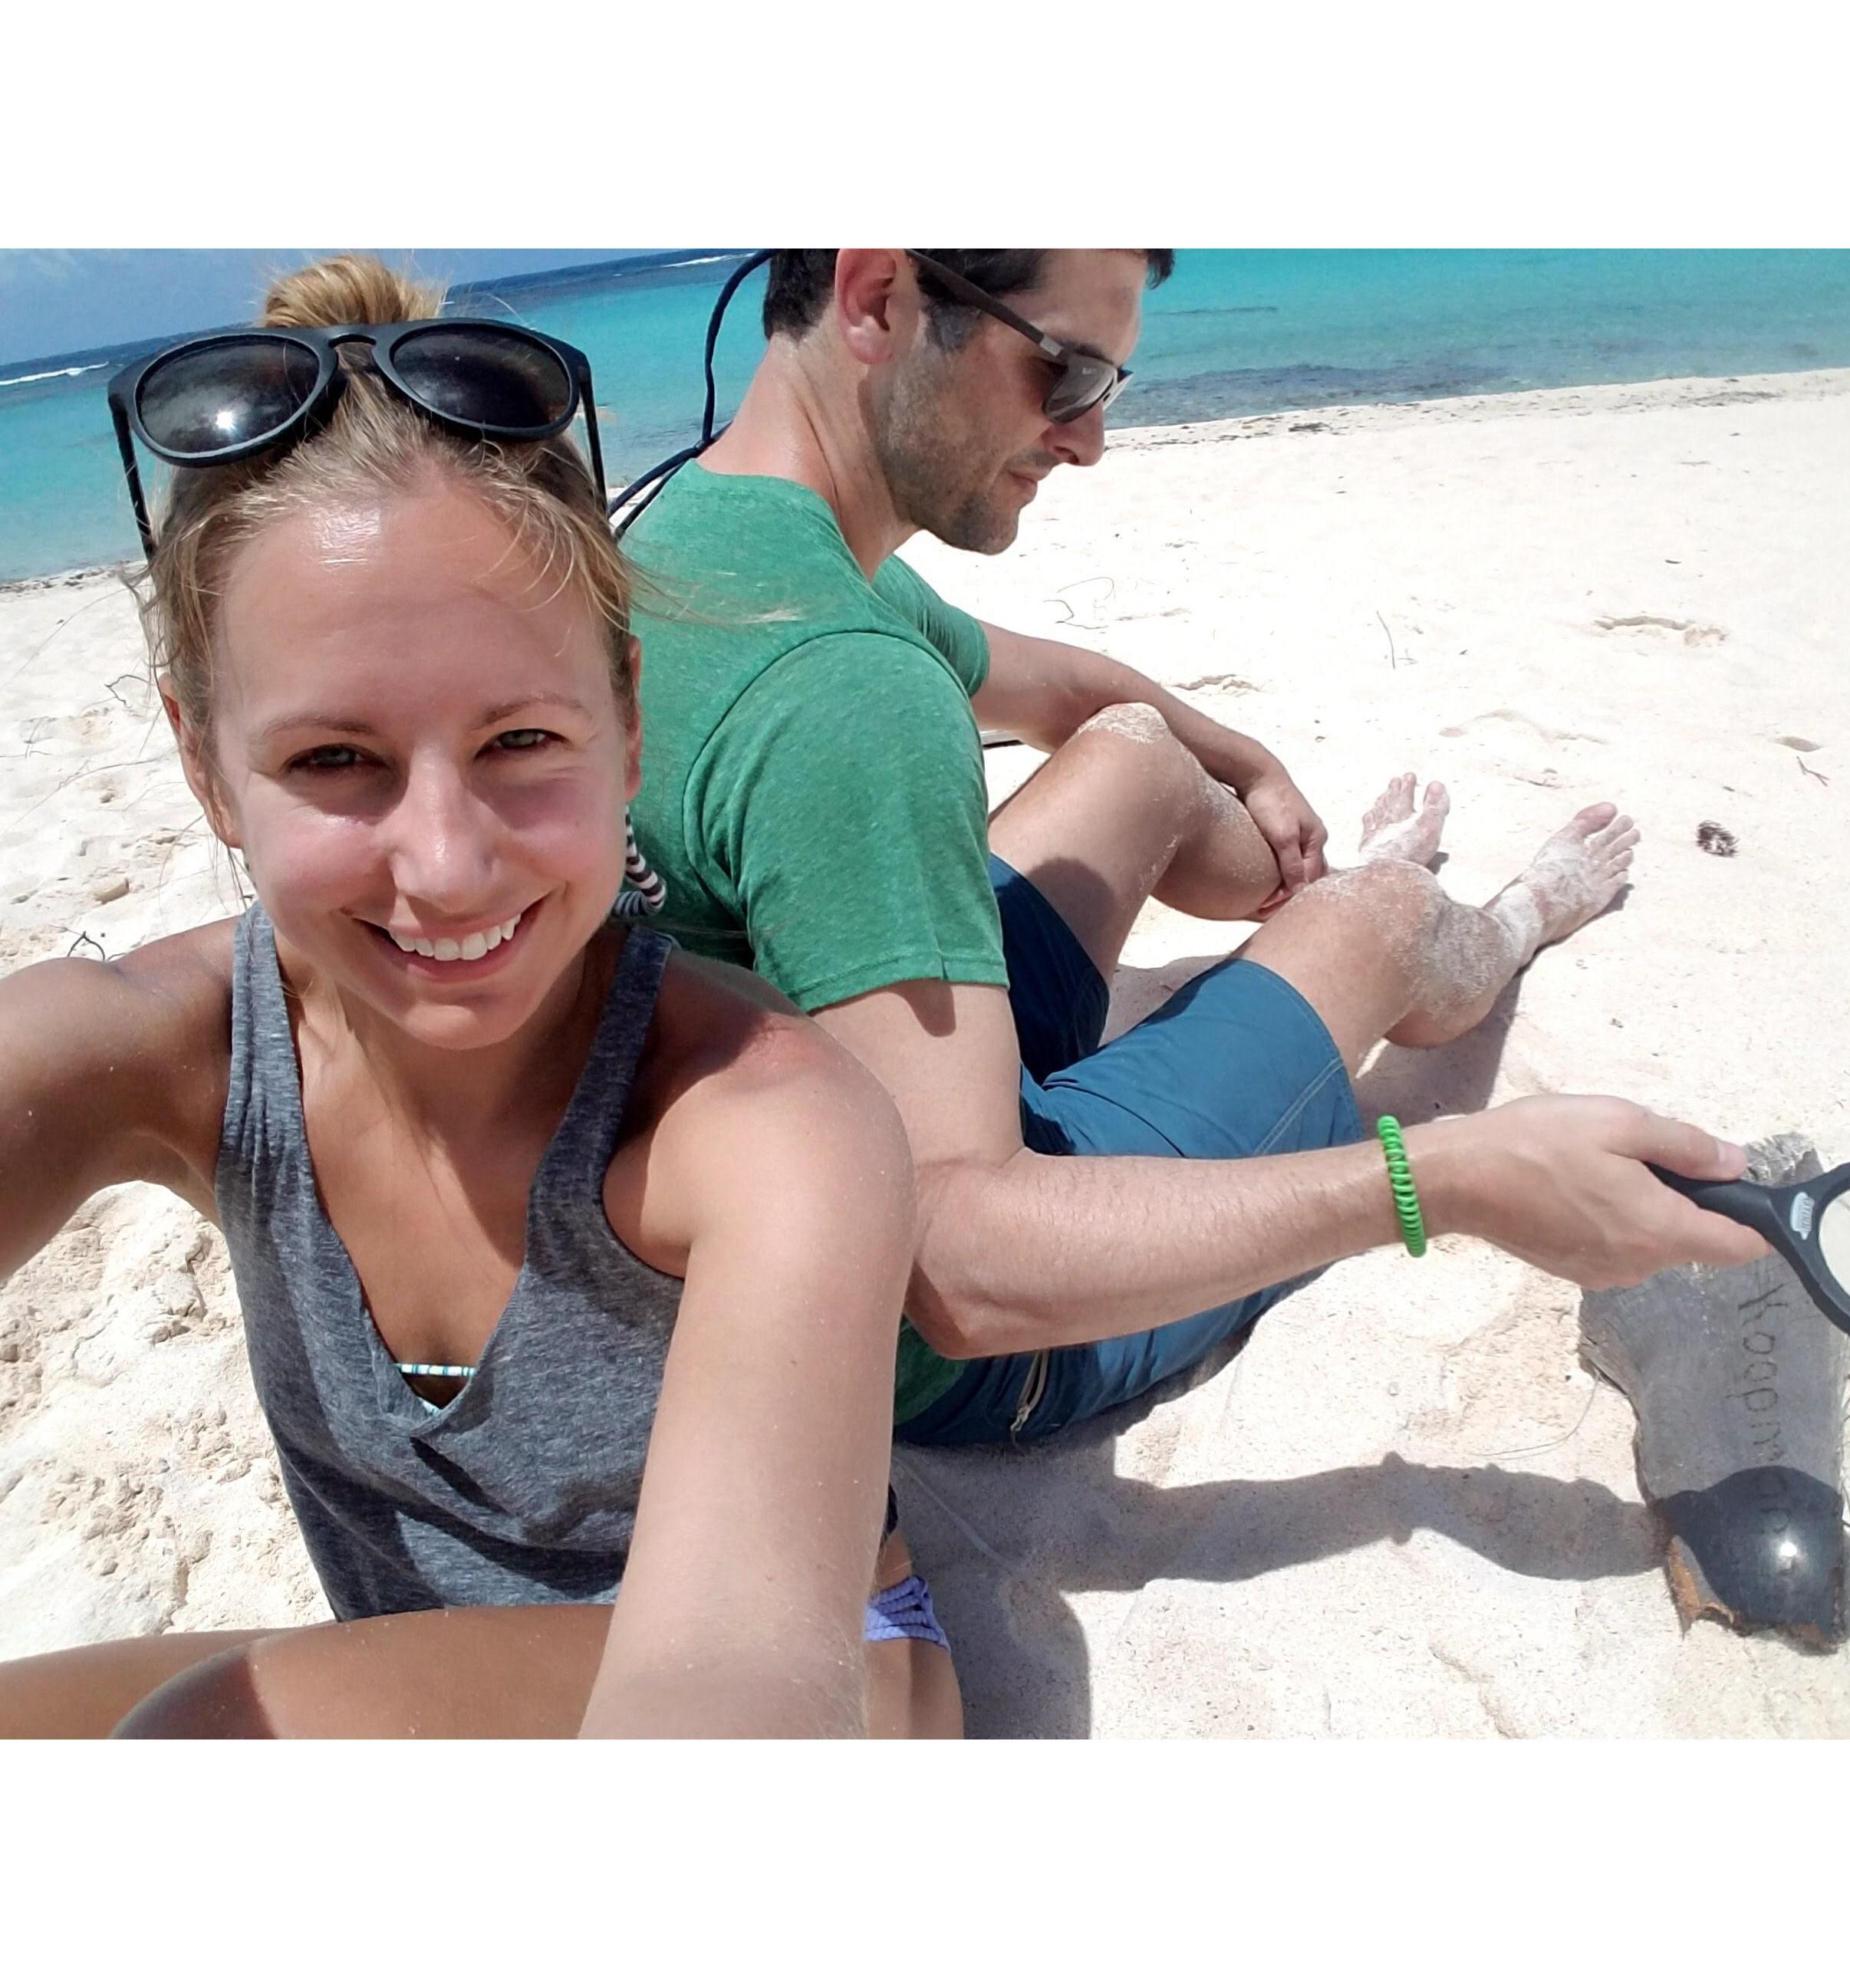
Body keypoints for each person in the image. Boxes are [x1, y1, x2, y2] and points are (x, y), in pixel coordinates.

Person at [0, 255, 961, 1740]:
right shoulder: (166, 1050)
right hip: (434, 1679)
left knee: (200, 1745)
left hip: (824, 1683)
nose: (445, 868)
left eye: (520, 741)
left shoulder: (763, 1115)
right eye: (335, 763)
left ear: (628, 724)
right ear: (203, 765)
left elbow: (732, 1691)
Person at [621, 247, 1771, 1447]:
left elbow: (1058, 688)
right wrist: (1446, 1182)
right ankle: (1477, 920)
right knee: (1378, 921)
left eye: (1109, 386)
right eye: (1064, 375)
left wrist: (1248, 763)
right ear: (875, 300)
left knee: (1136, 750)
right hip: (968, 1337)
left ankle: (1311, 910)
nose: (1088, 442)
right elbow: (959, 1273)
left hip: (863, 1098)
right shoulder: (847, 692)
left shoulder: (713, 536)